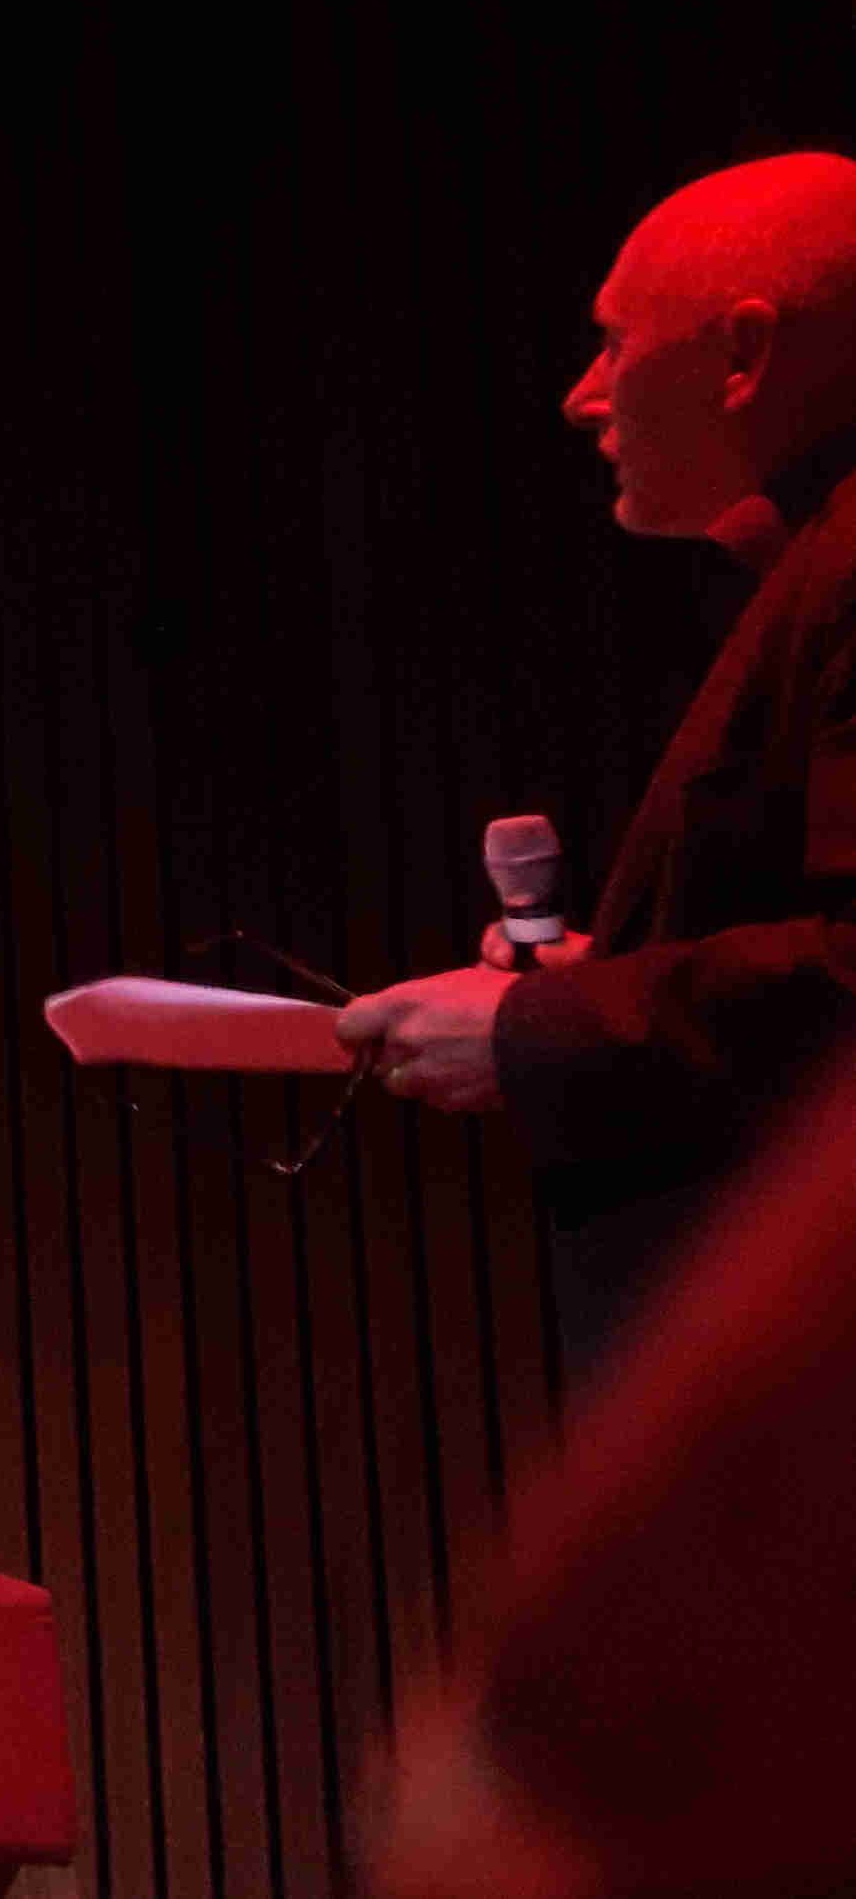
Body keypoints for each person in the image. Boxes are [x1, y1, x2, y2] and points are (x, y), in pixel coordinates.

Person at [341, 151, 856, 1370]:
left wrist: (542, 1024)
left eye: (615, 345)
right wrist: (597, 979)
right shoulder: (814, 564)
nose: (581, 396)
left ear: (741, 358)